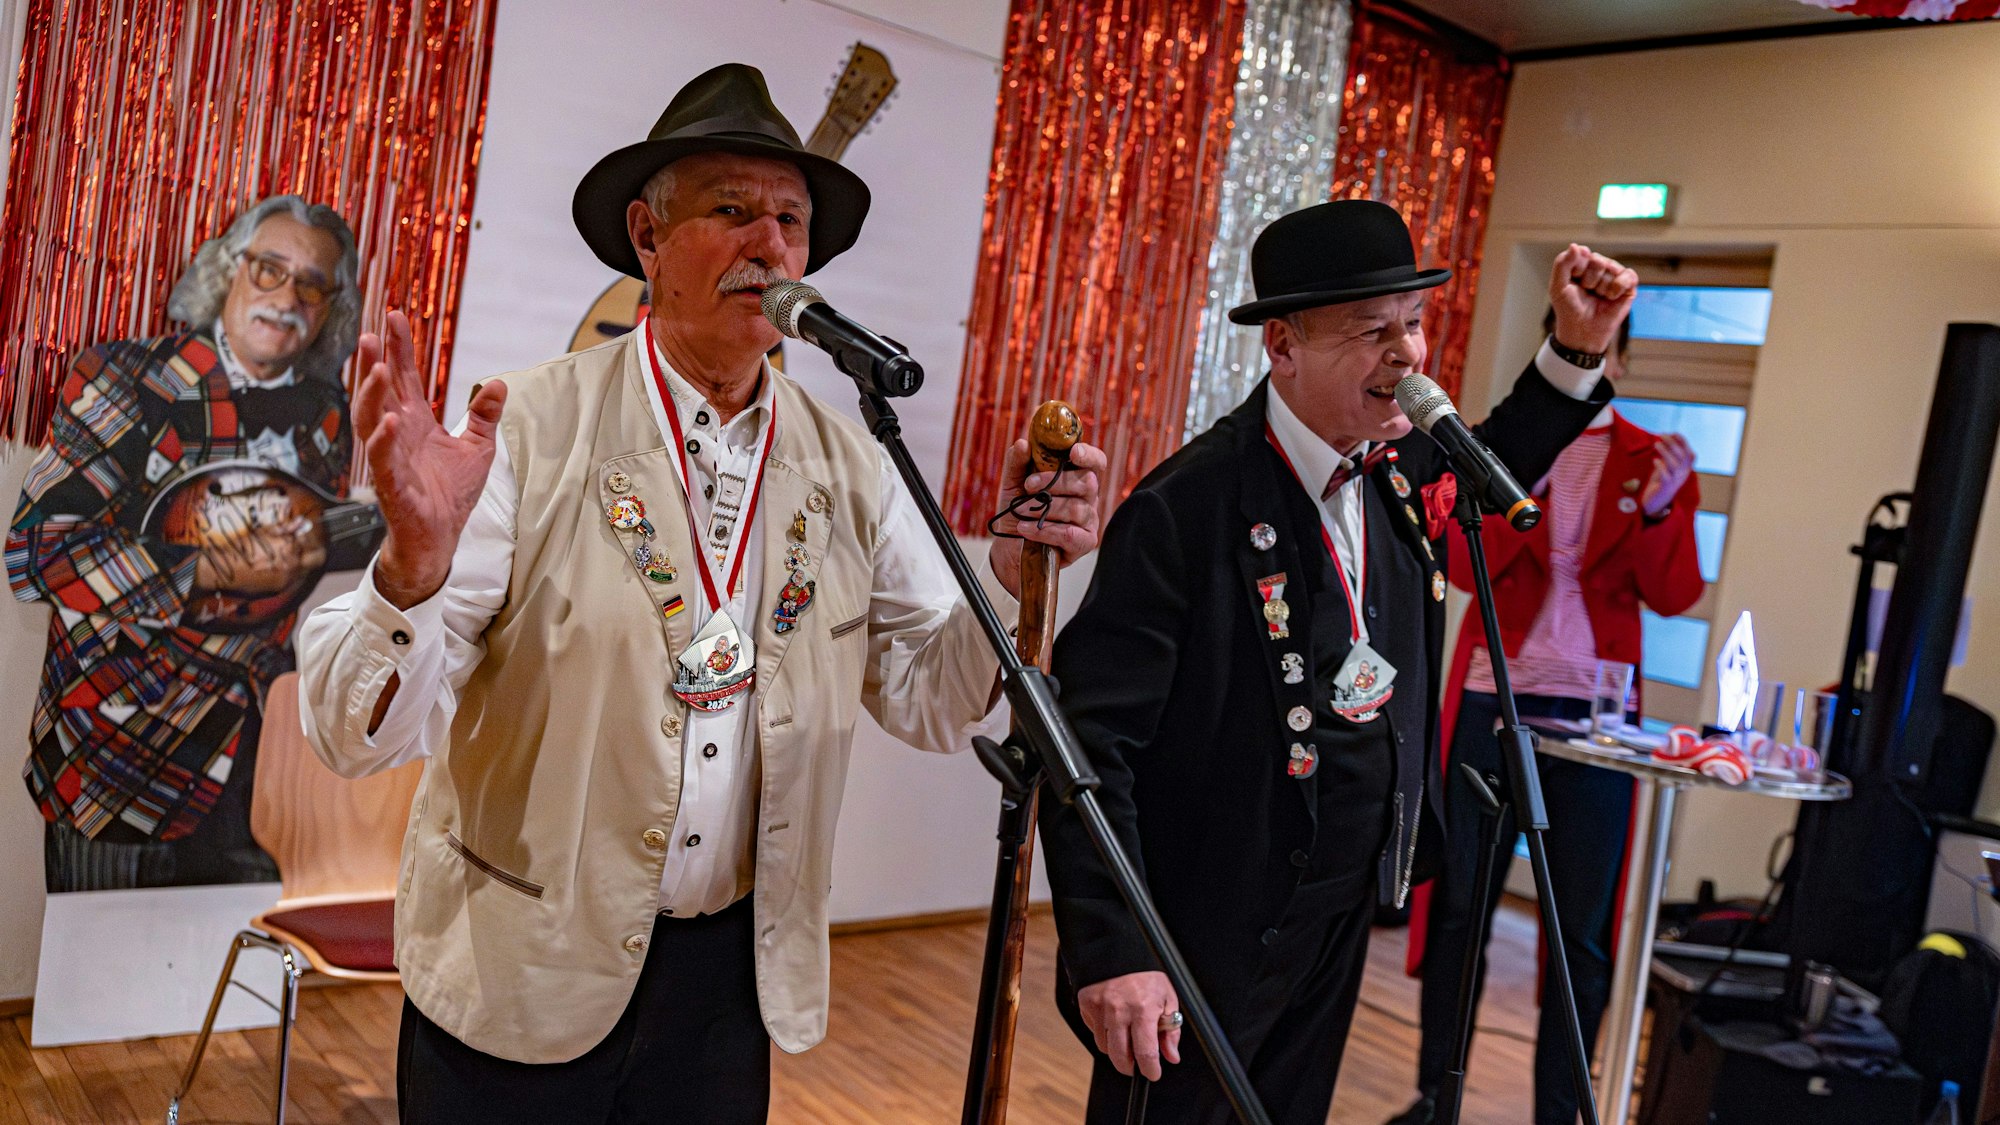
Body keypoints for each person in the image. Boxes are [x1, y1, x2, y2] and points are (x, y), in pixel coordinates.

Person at [296, 63, 1105, 1124]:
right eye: (729, 211)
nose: (768, 246)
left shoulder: (848, 462)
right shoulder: (532, 424)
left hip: (727, 987)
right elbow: (355, 740)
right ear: (646, 238)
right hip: (522, 970)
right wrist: (411, 568)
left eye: (788, 221)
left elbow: (928, 697)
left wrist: (1005, 572)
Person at [1037, 198, 1637, 1124]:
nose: (1407, 355)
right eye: (1372, 332)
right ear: (1283, 344)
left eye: (1414, 324)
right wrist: (1116, 946)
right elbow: (1085, 744)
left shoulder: (1398, 473)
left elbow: (1503, 450)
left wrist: (1578, 346)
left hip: (1341, 906)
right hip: (1207, 923)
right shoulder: (1188, 506)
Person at [1389, 310, 1704, 1125]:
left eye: (1605, 353)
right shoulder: (1497, 450)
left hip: (1597, 721)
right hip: (1494, 702)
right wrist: (1519, 482)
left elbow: (1674, 594)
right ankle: (1436, 1098)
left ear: (1620, 362)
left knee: (1581, 937)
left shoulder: (1653, 461)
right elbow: (1459, 565)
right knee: (1458, 909)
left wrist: (1666, 512)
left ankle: (1563, 1112)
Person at [9, 195, 362, 892]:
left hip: (260, 771)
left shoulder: (330, 413)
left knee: (216, 993)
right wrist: (207, 567)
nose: (286, 296)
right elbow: (38, 554)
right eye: (269, 268)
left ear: (329, 307)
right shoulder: (123, 378)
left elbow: (289, 572)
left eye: (311, 283)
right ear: (229, 270)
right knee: (99, 992)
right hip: (117, 754)